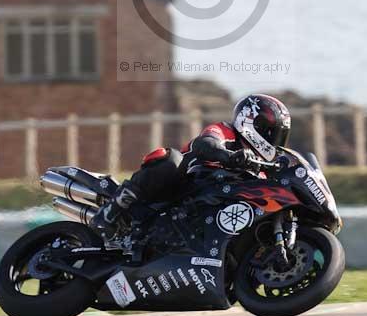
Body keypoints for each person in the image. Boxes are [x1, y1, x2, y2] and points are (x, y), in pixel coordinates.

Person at [90, 93, 291, 239]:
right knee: (171, 160)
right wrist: (230, 156)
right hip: (177, 189)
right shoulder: (225, 130)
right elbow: (207, 143)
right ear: (252, 124)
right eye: (270, 132)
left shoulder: (260, 167)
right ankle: (109, 214)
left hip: (203, 217)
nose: (274, 141)